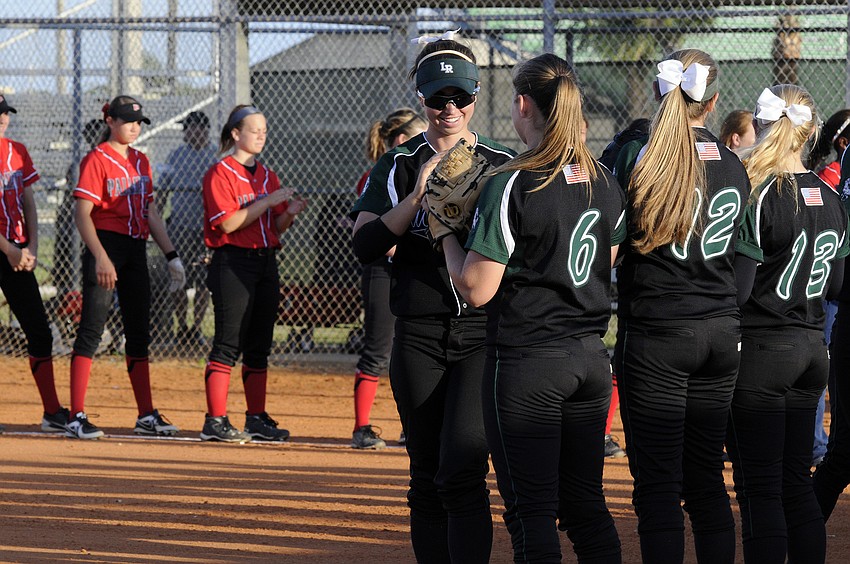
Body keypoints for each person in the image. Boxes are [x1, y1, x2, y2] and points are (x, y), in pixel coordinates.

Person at [442, 52, 624, 563]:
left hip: (528, 363)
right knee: (586, 505)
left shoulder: (513, 181)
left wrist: (446, 238)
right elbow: (608, 256)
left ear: (522, 104)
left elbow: (477, 289)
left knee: (532, 511)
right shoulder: (603, 178)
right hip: (591, 360)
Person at [350, 34, 514, 562]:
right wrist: (419, 197)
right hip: (418, 331)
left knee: (463, 466)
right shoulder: (398, 165)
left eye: (460, 97)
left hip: (480, 335)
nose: (449, 109)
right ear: (420, 96)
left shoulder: (500, 164)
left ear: (476, 95)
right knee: (426, 471)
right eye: (437, 97)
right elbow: (366, 244)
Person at [612, 49, 751, 563]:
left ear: (656, 93)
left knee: (659, 487)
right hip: (720, 333)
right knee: (706, 481)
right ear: (712, 104)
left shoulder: (636, 155)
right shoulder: (734, 164)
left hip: (658, 334)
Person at [727, 85, 846, 564]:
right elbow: (836, 282)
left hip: (762, 352)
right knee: (796, 481)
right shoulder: (833, 196)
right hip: (811, 349)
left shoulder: (759, 191)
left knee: (759, 488)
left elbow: (738, 290)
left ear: (763, 126)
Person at [68, 95, 185, 439]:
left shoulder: (141, 161)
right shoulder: (96, 159)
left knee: (138, 333)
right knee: (91, 330)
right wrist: (101, 256)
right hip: (105, 244)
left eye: (137, 121)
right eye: (126, 120)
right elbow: (82, 214)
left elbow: (150, 213)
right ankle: (76, 415)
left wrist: (171, 255)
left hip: (135, 250)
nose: (133, 126)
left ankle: (146, 414)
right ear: (110, 122)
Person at [200, 104, 307, 443]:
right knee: (228, 342)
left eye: (264, 129)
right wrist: (267, 200)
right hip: (232, 262)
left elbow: (274, 226)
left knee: (259, 345)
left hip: (265, 262)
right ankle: (214, 420)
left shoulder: (266, 174)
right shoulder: (220, 172)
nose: (261, 135)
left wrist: (288, 213)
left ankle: (255, 418)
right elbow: (230, 223)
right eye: (254, 129)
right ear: (235, 134)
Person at [351, 107, 427, 450]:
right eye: (418, 135)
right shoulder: (381, 173)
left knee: (408, 350)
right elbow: (374, 232)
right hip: (383, 270)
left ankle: (410, 425)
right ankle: (362, 427)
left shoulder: (417, 171)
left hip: (409, 270)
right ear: (401, 140)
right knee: (378, 349)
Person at [0, 94, 67, 434]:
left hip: (16, 250)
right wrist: (10, 249)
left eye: (5, 113)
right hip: (6, 248)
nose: (2, 119)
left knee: (38, 330)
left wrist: (31, 247)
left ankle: (53, 411)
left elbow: (28, 199)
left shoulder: (17, 150)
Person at [158, 110, 217, 350]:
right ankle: (181, 327)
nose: (188, 132)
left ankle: (197, 329)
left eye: (192, 127)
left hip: (206, 229)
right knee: (178, 279)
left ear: (202, 130)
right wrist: (158, 221)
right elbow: (162, 192)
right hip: (179, 226)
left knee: (204, 282)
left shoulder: (215, 156)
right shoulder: (175, 156)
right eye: (187, 128)